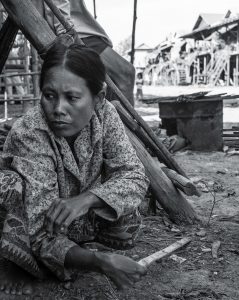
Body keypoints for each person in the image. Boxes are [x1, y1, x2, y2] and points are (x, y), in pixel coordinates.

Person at [0, 42, 149, 296]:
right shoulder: (31, 132)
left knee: (127, 225)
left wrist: (88, 199)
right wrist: (99, 261)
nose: (58, 109)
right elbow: (38, 231)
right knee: (9, 186)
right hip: (32, 222)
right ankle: (11, 260)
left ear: (98, 98)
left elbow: (134, 175)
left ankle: (67, 250)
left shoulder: (106, 115)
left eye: (72, 98)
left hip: (67, 218)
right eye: (49, 96)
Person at [31, 0, 136, 105]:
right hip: (74, 30)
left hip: (74, 27)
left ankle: (107, 118)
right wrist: (66, 32)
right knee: (125, 74)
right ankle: (116, 121)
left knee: (105, 86)